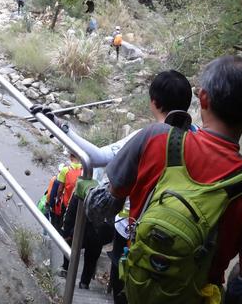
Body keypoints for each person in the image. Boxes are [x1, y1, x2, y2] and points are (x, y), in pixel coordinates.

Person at [80, 55, 242, 304]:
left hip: (137, 282)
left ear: (203, 98)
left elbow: (101, 207)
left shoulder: (155, 137)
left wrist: (86, 187)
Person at [35, 70, 194, 299]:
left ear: (153, 101)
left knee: (126, 288)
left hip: (134, 232)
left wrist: (61, 127)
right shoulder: (199, 140)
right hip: (181, 237)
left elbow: (98, 157)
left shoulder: (146, 136)